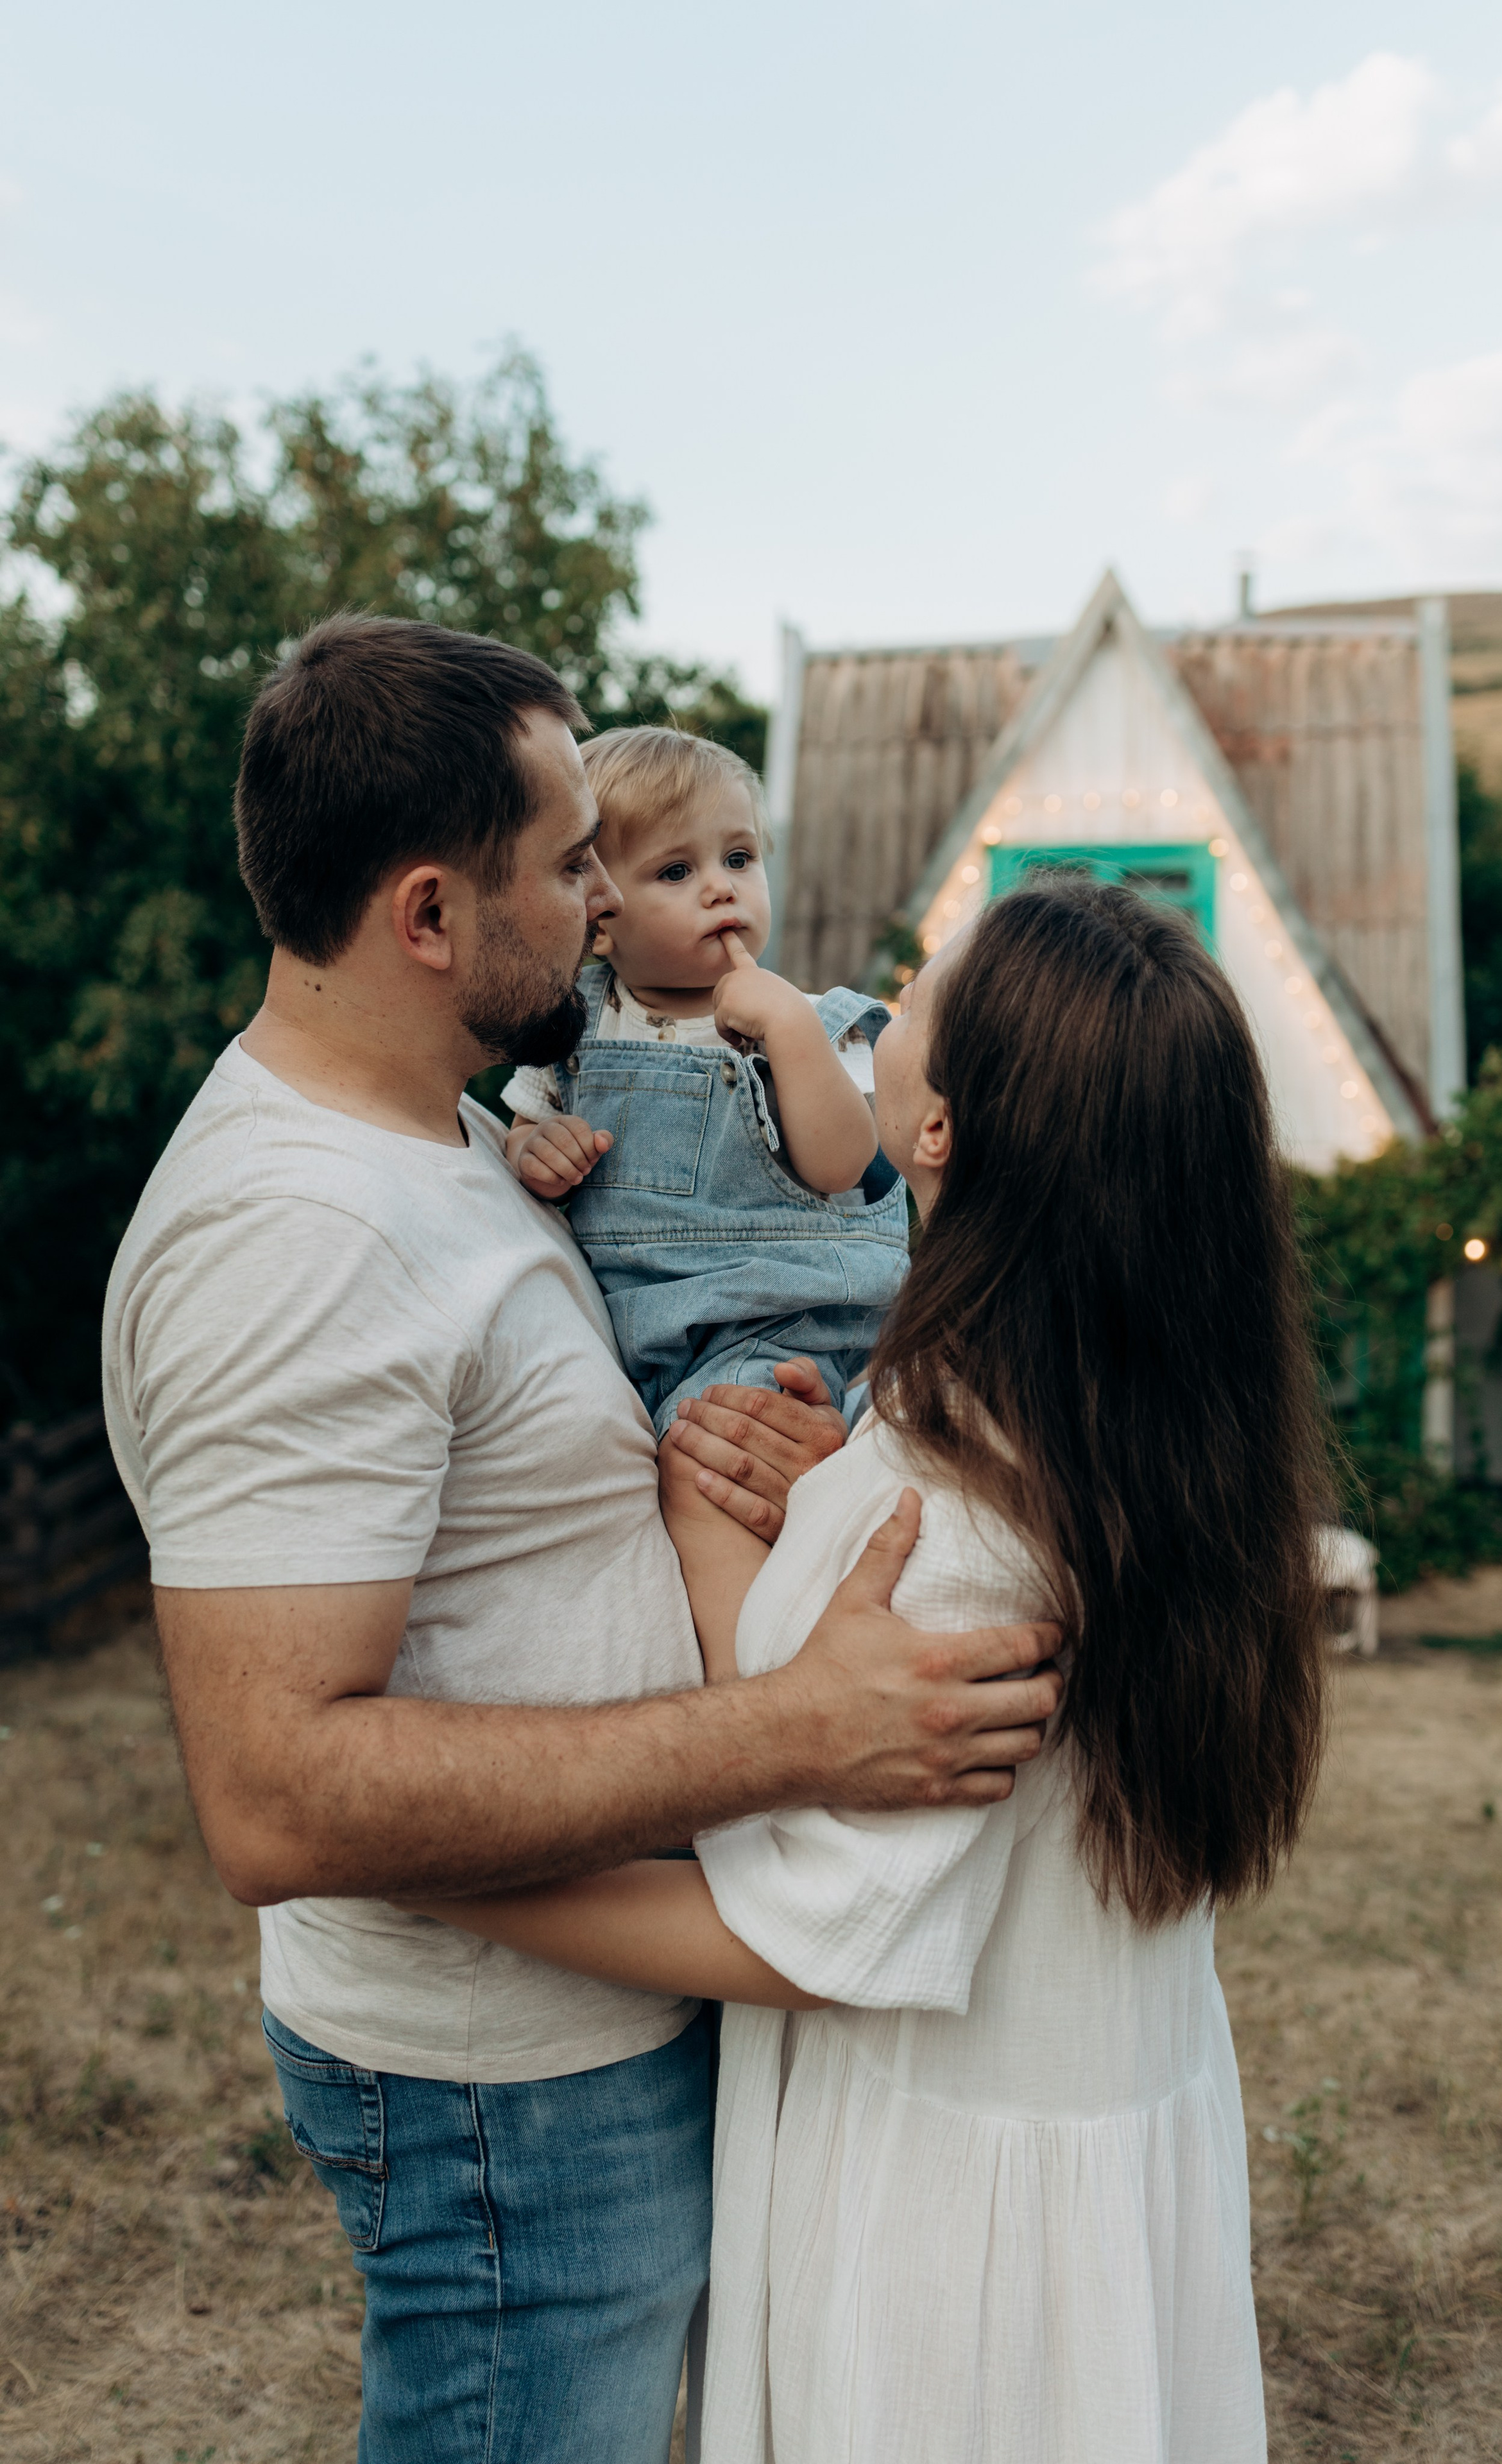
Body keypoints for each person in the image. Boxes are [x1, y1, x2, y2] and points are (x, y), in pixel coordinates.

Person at [100, 615, 1061, 2464]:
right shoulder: (292, 1238)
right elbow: (278, 1792)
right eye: (567, 869)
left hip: (594, 2024)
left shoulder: (455, 1136)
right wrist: (796, 1731)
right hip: (496, 2095)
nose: (603, 909)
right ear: (431, 913)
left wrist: (740, 1466)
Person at [405, 875, 1332, 2463]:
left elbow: (812, 1930)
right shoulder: (1143, 1434)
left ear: (941, 1132)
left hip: (950, 2229)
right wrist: (747, 1513)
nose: (873, 1005)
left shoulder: (960, 1516)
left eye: (913, 995)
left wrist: (431, 1870)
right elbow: (835, 1705)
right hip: (1097, 2126)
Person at [501, 726, 907, 1435]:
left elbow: (845, 1164)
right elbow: (522, 1137)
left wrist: (789, 1033)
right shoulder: (575, 1026)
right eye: (675, 872)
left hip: (776, 1324)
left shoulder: (813, 1021)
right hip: (625, 1328)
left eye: (739, 857)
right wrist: (540, 1151)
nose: (722, 887)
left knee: (710, 1458)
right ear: (599, 919)